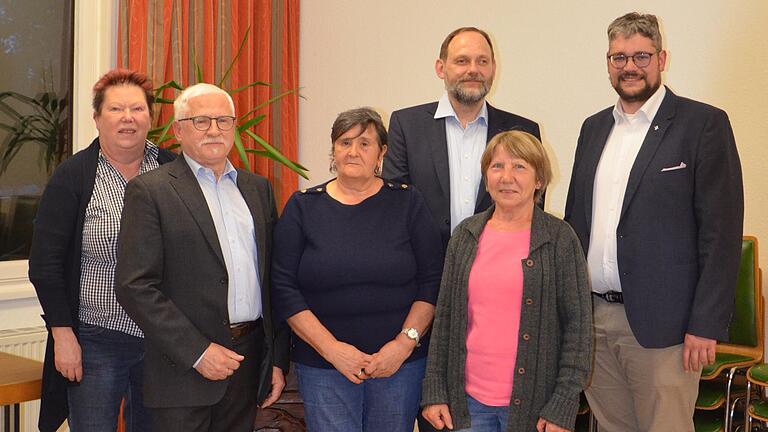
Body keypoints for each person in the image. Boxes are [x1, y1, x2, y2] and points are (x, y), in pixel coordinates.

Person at [564, 12, 744, 432]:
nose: (629, 67)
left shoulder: (703, 124)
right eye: (618, 57)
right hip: (595, 320)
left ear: (662, 58)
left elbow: (720, 234)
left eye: (641, 56)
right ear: (607, 62)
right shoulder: (593, 129)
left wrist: (705, 324)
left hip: (668, 328)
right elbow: (577, 223)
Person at [114, 83, 289, 432]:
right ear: (178, 130)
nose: (214, 130)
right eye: (201, 121)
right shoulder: (151, 191)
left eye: (224, 120)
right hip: (182, 370)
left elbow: (273, 278)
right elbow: (135, 285)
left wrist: (276, 359)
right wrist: (197, 352)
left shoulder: (257, 188)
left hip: (248, 361)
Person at [271, 107, 444, 431]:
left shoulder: (408, 203)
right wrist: (332, 350)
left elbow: (431, 280)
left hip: (398, 366)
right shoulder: (303, 206)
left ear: (382, 153)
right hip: (324, 366)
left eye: (365, 143)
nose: (353, 151)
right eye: (345, 142)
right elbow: (283, 287)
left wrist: (403, 345)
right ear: (333, 150)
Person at [28, 68, 176, 432]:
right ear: (96, 118)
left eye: (137, 109)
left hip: (163, 342)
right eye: (115, 109)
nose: (128, 117)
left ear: (151, 117)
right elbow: (44, 264)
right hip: (96, 340)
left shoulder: (175, 171)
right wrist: (63, 336)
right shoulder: (73, 175)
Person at [422, 130, 592, 432]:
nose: (506, 177)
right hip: (469, 404)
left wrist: (563, 403)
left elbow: (578, 329)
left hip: (536, 408)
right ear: (486, 178)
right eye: (497, 166)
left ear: (539, 180)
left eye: (520, 167)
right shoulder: (465, 236)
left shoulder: (560, 239)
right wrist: (435, 390)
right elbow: (445, 319)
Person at [384, 26, 541, 251]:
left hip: (500, 269)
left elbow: (532, 206)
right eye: (462, 61)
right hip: (426, 272)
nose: (473, 70)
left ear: (494, 68)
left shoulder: (523, 130)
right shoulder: (406, 126)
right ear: (441, 68)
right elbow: (395, 204)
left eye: (483, 61)